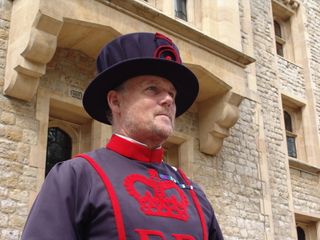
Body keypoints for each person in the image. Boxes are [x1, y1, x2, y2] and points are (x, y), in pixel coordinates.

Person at [21, 32, 224, 240]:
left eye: (172, 93)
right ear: (116, 101)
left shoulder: (194, 193)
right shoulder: (77, 177)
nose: (168, 100)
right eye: (152, 89)